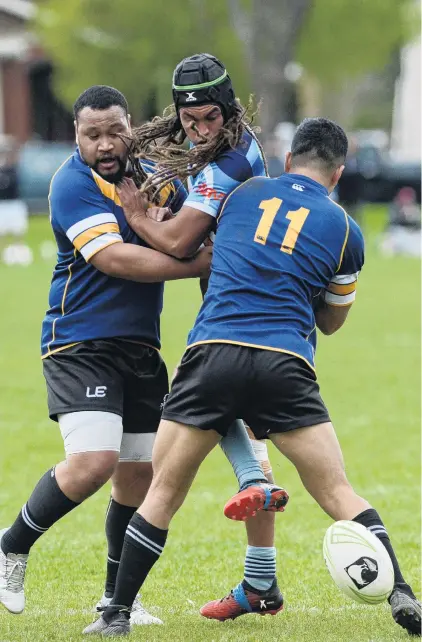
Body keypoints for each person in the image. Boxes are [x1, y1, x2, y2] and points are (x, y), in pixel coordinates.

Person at [84, 117, 420, 638]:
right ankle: (401, 590)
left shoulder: (241, 193)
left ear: (289, 161)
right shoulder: (346, 231)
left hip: (213, 351)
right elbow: (331, 322)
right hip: (282, 362)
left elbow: (191, 246)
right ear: (338, 173)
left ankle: (116, 614)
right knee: (336, 490)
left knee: (164, 493)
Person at [0, 85, 211, 623]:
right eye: (92, 135)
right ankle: (11, 545)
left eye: (114, 130)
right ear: (76, 136)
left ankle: (119, 600)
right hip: (79, 343)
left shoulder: (153, 175)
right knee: (95, 462)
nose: (105, 144)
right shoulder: (72, 184)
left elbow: (187, 230)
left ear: (129, 124)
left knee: (139, 476)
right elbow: (119, 260)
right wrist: (198, 265)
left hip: (141, 348)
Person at [118, 52, 288, 602]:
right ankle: (261, 577)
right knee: (229, 409)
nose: (199, 129)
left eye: (210, 118)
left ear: (230, 109)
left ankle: (253, 487)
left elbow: (177, 242)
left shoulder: (232, 161)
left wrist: (141, 216)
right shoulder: (217, 143)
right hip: (249, 300)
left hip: (244, 304)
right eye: (190, 120)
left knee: (198, 412)